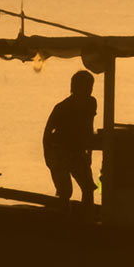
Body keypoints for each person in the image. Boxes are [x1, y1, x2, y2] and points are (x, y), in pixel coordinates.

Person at [43, 70, 98, 204]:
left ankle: (87, 217)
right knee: (65, 191)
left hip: (76, 151)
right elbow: (47, 134)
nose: (89, 90)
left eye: (90, 87)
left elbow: (88, 128)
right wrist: (50, 159)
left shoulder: (91, 103)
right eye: (85, 87)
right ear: (74, 88)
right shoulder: (62, 107)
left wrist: (88, 154)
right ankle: (63, 218)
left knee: (88, 186)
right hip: (58, 151)